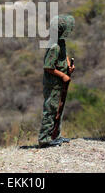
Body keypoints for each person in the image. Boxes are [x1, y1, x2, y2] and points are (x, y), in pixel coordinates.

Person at [38, 14, 75, 148]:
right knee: (51, 109)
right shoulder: (54, 46)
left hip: (60, 84)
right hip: (53, 84)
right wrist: (63, 75)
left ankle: (55, 135)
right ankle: (45, 139)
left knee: (59, 109)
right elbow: (48, 67)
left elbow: (64, 56)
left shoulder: (61, 42)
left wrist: (68, 66)